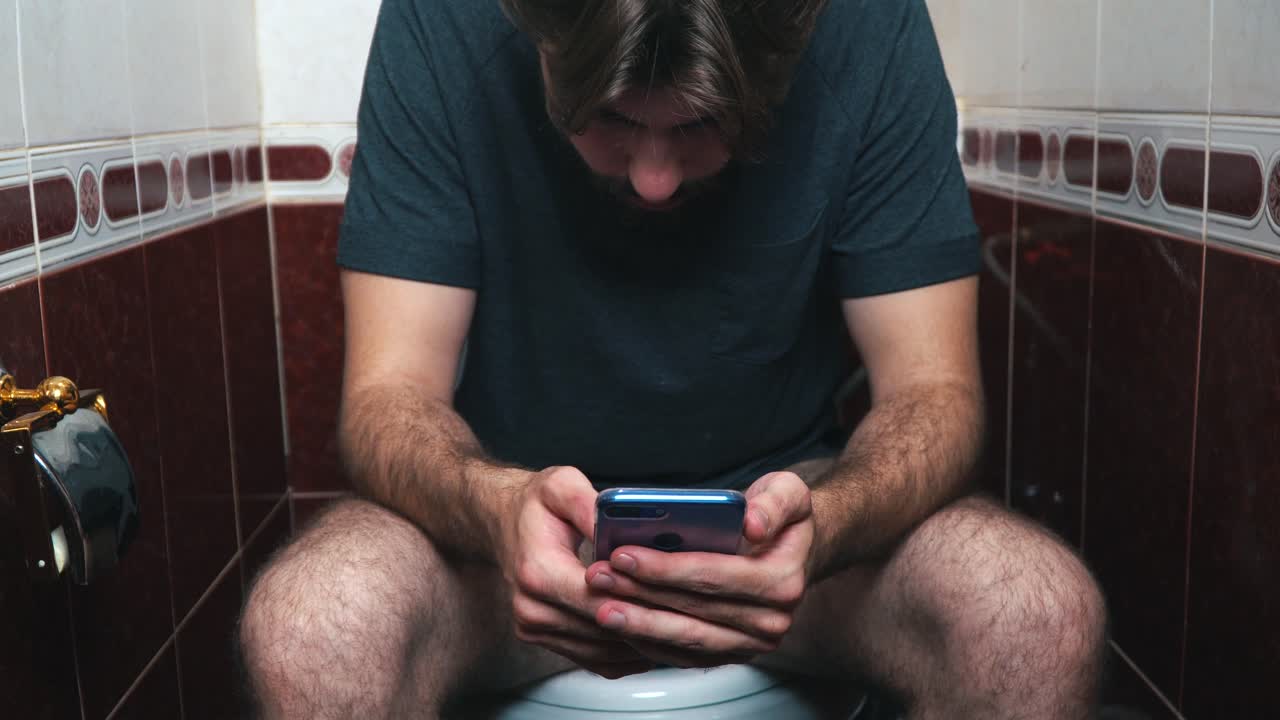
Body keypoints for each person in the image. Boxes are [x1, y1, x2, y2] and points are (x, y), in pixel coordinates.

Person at [239, 0, 1107, 717]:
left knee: (1034, 614)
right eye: (611, 119)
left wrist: (831, 521)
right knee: (315, 625)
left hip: (791, 545)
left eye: (700, 126)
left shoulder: (866, 23)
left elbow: (935, 392)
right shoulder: (443, 20)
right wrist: (493, 506)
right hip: (505, 543)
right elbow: (387, 395)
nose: (655, 177)